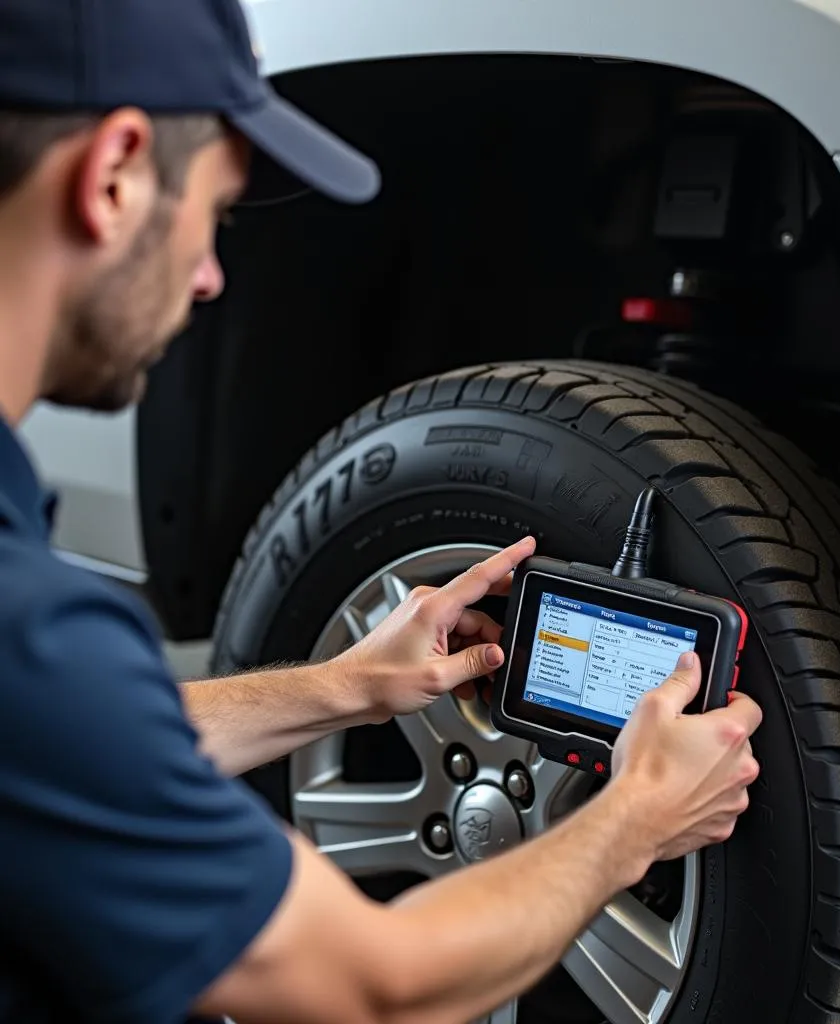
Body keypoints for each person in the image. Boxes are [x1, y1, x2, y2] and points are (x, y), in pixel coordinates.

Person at [0, 1, 763, 1022]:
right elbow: (371, 985)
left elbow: (73, 749)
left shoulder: (35, 663)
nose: (213, 274)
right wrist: (635, 816)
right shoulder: (32, 635)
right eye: (216, 214)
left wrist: (344, 687)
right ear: (115, 174)